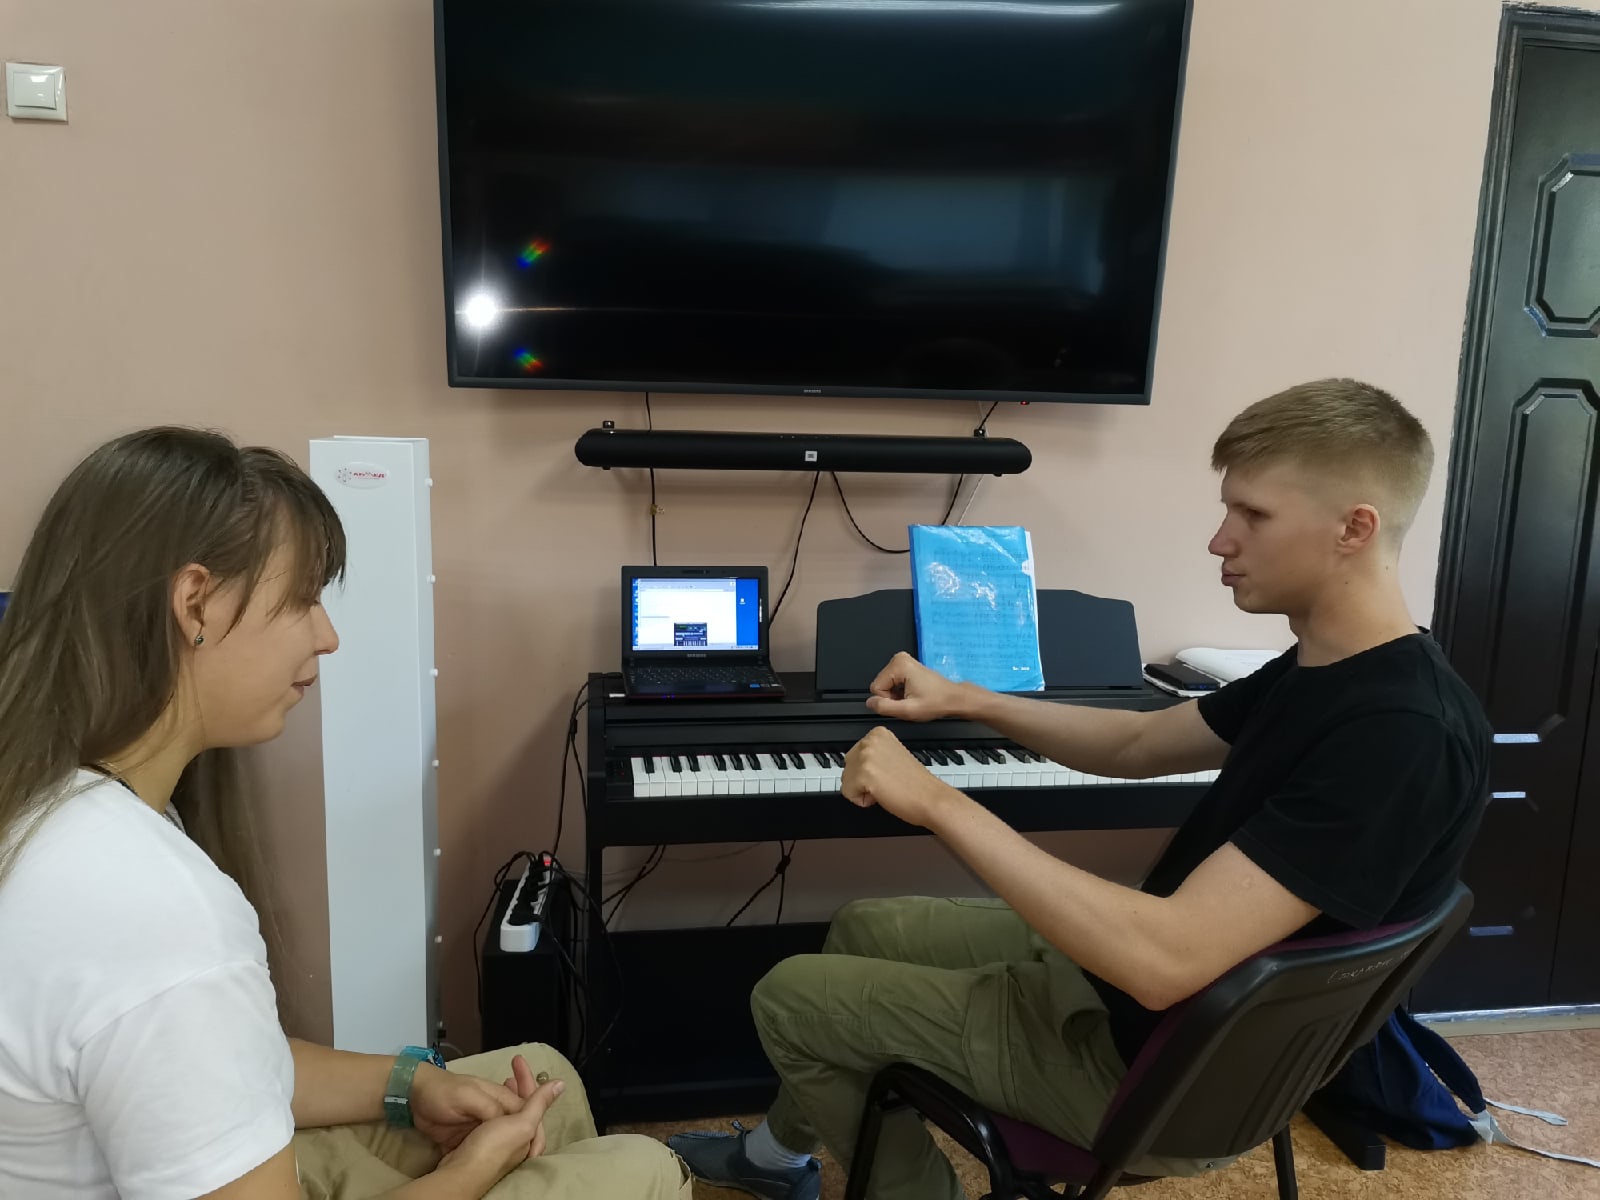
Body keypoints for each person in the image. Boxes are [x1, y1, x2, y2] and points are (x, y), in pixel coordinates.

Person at [669, 379, 1492, 1200]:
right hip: (1145, 1011)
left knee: (789, 997)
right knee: (862, 924)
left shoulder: (1399, 734)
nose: (1220, 540)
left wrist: (936, 801)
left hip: (1158, 1073)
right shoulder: (1326, 670)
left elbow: (1164, 960)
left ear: (1354, 528)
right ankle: (776, 1162)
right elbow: (1136, 743)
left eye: (1254, 514)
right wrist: (969, 698)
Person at [0, 428, 689, 1200]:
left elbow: (220, 1064)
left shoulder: (59, 800)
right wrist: (474, 1169)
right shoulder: (155, 912)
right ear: (195, 602)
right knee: (644, 1167)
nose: (327, 637)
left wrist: (410, 1082)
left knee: (546, 1074)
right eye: (304, 600)